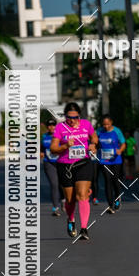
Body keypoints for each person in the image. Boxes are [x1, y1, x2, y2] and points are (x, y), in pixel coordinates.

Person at [50, 102, 98, 242]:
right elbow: (53, 148)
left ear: (79, 116)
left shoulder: (86, 124)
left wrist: (93, 144)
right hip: (65, 166)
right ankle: (71, 219)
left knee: (82, 195)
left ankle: (84, 229)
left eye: (75, 117)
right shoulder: (60, 127)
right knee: (70, 199)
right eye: (69, 117)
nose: (72, 120)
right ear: (65, 116)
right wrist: (65, 145)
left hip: (83, 163)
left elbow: (94, 137)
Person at [97, 114, 126, 214]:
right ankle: (110, 205)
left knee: (115, 180)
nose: (106, 126)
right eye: (104, 124)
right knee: (107, 180)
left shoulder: (117, 131)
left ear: (111, 122)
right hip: (104, 160)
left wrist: (120, 150)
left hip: (116, 160)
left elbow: (123, 143)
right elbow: (94, 140)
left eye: (108, 124)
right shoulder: (99, 131)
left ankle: (117, 199)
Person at [40, 118, 62, 215]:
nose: (51, 127)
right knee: (54, 184)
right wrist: (41, 152)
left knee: (62, 184)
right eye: (49, 125)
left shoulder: (60, 135)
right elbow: (41, 147)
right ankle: (55, 207)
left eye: (53, 125)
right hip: (48, 162)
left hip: (61, 162)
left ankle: (64, 201)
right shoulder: (44, 136)